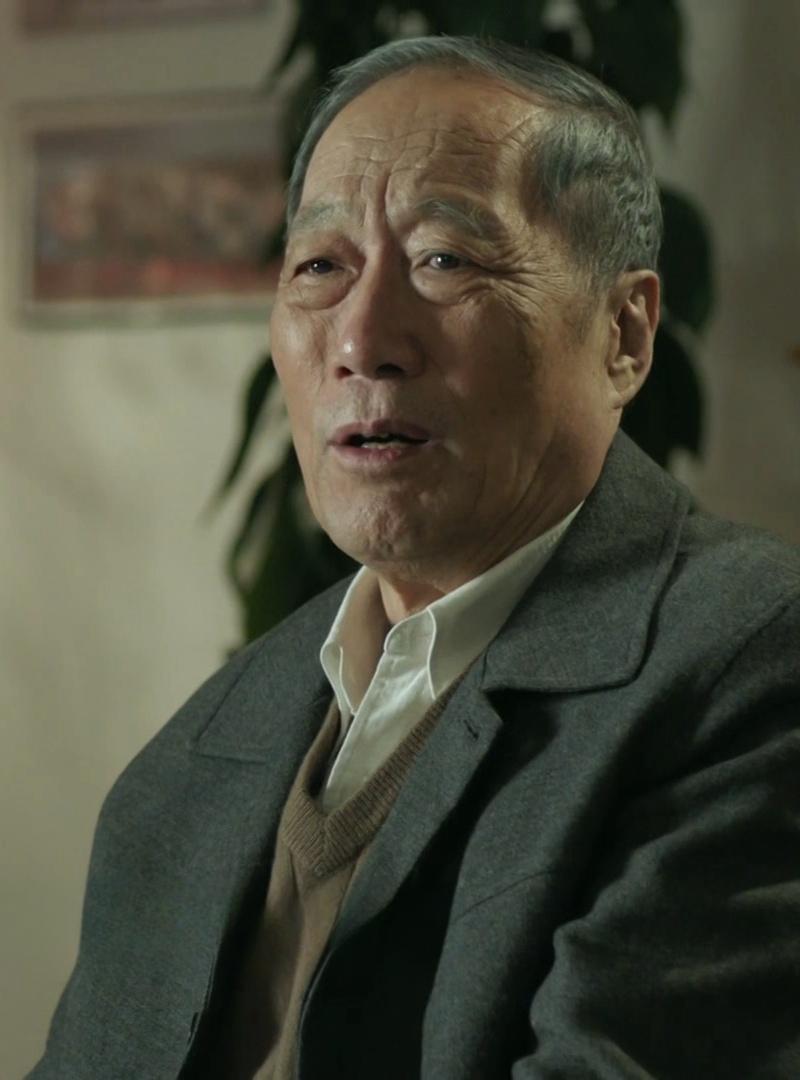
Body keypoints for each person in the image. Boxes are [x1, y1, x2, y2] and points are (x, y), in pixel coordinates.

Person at [29, 36, 800, 1080]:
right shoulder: (202, 752)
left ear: (623, 335)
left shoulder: (748, 666)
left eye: (445, 260)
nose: (363, 340)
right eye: (320, 267)